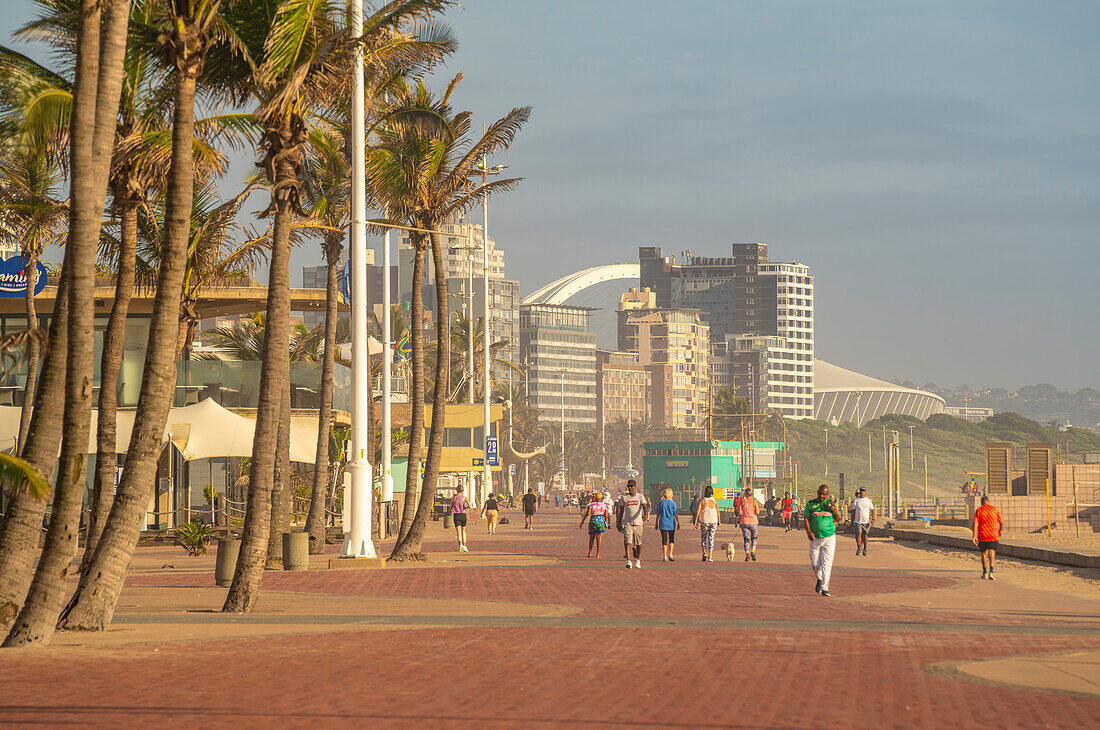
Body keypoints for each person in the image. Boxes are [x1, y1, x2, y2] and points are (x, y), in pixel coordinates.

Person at [805, 484, 841, 596]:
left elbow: (838, 518)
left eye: (824, 494)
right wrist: (809, 532)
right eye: (820, 493)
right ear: (817, 492)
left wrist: (835, 511)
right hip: (815, 538)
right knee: (815, 563)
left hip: (829, 537)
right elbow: (806, 518)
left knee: (827, 564)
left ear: (827, 495)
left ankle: (825, 588)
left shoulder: (830, 504)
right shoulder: (811, 504)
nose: (821, 496)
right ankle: (820, 579)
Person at [615, 479, 649, 568]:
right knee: (627, 541)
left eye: (631, 486)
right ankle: (628, 561)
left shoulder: (640, 497)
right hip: (627, 523)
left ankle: (638, 560)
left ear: (635, 487)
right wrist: (618, 522)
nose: (630, 488)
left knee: (638, 543)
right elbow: (620, 510)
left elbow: (645, 506)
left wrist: (645, 515)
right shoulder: (624, 498)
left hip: (638, 523)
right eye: (629, 486)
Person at [972, 495, 1003, 580]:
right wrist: (999, 531)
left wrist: (974, 536)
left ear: (981, 502)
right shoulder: (995, 509)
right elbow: (1001, 522)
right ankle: (991, 572)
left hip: (983, 535)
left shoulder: (979, 510)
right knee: (992, 553)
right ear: (988, 501)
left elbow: (975, 523)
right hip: (993, 534)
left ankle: (985, 572)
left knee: (983, 553)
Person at [579, 491, 610, 557]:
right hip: (601, 521)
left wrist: (582, 521)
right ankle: (597, 554)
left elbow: (587, 514)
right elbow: (606, 515)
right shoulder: (604, 505)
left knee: (591, 538)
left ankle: (590, 552)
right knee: (599, 539)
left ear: (595, 498)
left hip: (593, 521)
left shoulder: (591, 505)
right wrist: (606, 522)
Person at [694, 486, 719, 562]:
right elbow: (717, 511)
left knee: (704, 537)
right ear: (712, 492)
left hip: (704, 521)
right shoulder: (714, 500)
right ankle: (710, 556)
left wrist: (696, 521)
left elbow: (698, 511)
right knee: (711, 538)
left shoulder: (702, 500)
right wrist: (719, 521)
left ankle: (704, 553)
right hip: (713, 521)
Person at [654, 487, 680, 562]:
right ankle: (671, 554)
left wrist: (656, 523)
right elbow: (675, 514)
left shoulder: (661, 503)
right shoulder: (673, 503)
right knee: (671, 539)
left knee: (664, 540)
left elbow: (658, 514)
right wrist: (678, 522)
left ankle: (665, 555)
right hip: (671, 523)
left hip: (663, 523)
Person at [849, 487, 874, 556]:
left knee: (865, 535)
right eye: (861, 491)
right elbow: (853, 511)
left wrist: (873, 519)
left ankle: (865, 549)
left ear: (865, 492)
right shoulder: (856, 500)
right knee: (859, 534)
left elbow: (872, 509)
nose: (862, 492)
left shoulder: (868, 500)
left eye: (863, 491)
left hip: (866, 521)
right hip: (858, 521)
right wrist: (852, 521)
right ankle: (859, 548)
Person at [450, 485, 475, 552]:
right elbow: (470, 506)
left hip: (456, 515)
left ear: (456, 490)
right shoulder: (464, 498)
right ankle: (465, 545)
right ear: (462, 490)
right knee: (463, 531)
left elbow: (450, 507)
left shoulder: (453, 498)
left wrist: (454, 508)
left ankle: (460, 545)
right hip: (463, 515)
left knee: (458, 532)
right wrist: (465, 508)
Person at [739, 487, 761, 562]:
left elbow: (739, 513)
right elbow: (757, 512)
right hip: (754, 522)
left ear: (745, 494)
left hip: (744, 522)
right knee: (754, 538)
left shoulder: (742, 501)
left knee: (746, 540)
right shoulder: (754, 501)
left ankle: (747, 554)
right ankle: (752, 551)